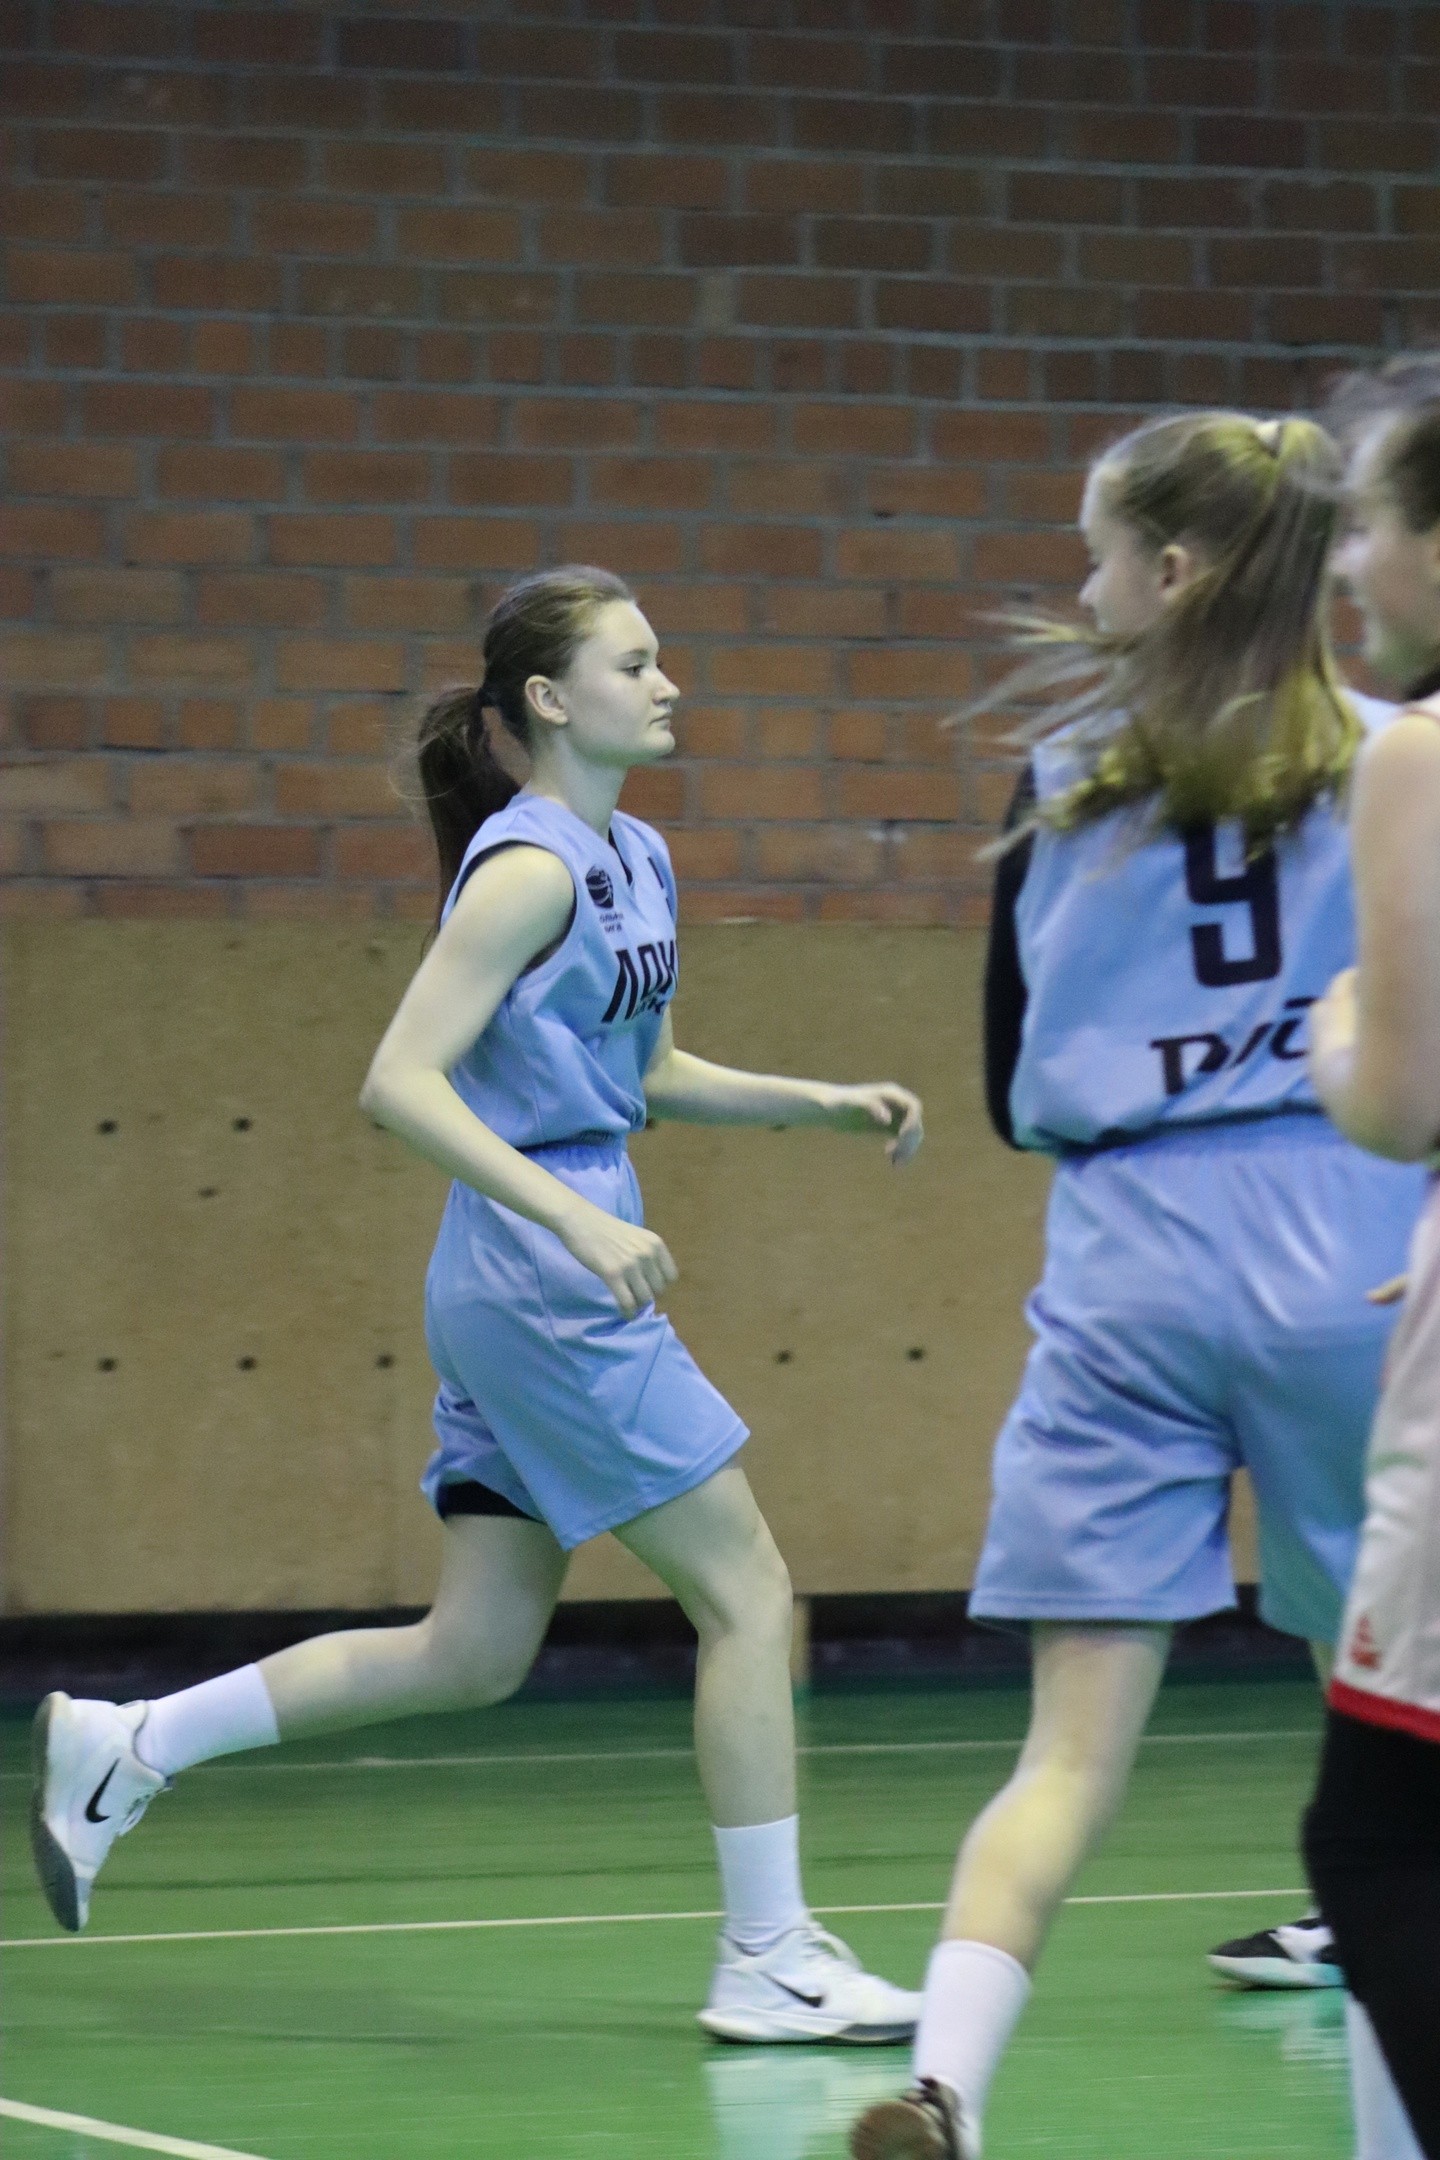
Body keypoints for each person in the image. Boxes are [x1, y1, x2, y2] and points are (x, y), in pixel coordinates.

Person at [31, 564, 927, 2047]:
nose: (669, 684)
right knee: (749, 1593)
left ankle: (131, 1742)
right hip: (537, 1274)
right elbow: (398, 1082)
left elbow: (645, 1074)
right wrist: (571, 1214)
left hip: (525, 1270)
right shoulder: (526, 870)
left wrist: (817, 1101)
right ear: (550, 701)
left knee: (474, 1648)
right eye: (635, 664)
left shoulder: (635, 854)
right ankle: (769, 1958)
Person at [851, 413, 1427, 2160]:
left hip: (1126, 1249)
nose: (1082, 585)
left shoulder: (1061, 777)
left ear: (1168, 572)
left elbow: (1006, 1073)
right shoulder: (1395, 754)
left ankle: (946, 2084)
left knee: (1065, 1756)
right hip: (1349, 1238)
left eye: (1096, 552)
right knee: (1391, 1769)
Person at [1302, 355, 1440, 2160]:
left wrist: (1336, 1025)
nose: (1346, 563)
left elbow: (1402, 1105)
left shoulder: (1413, 752)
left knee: (1379, 1831)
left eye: (1367, 523)